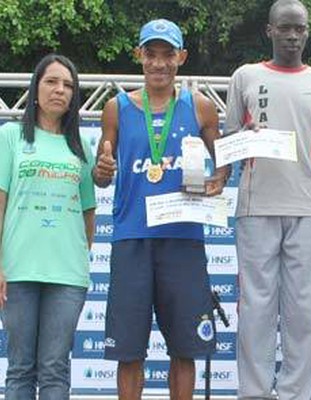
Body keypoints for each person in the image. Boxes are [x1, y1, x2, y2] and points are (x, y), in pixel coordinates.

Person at [92, 19, 228, 399]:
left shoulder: (200, 107)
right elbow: (102, 173)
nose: (159, 63)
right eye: (151, 54)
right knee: (129, 351)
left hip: (183, 238)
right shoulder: (115, 108)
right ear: (139, 56)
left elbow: (223, 163)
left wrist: (218, 179)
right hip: (132, 239)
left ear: (181, 57)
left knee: (185, 349)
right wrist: (102, 170)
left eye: (168, 54)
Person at [223, 0, 311, 397]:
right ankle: (253, 392)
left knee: (303, 313)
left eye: (300, 28)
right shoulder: (245, 76)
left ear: (308, 32)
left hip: (306, 208)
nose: (293, 36)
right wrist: (243, 146)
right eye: (285, 28)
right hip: (256, 208)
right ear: (269, 31)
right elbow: (230, 141)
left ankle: (295, 393)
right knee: (256, 309)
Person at [0, 54, 95, 399]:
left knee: (56, 370)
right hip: (18, 270)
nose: (60, 90)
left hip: (68, 276)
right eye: (52, 82)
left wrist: (76, 258)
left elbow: (88, 214)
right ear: (35, 88)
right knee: (20, 368)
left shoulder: (81, 146)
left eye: (68, 85)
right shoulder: (10, 136)